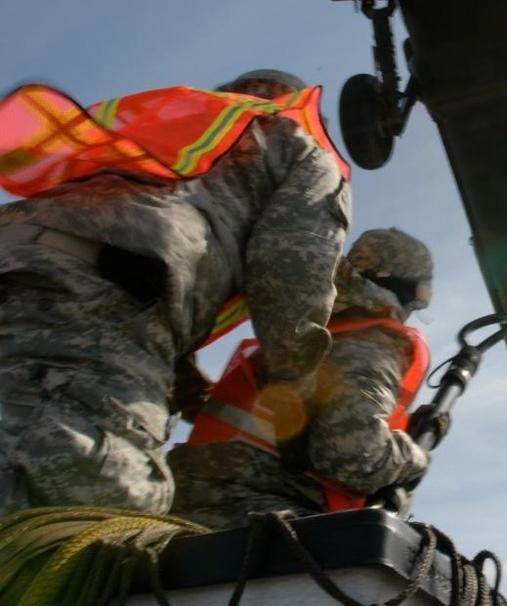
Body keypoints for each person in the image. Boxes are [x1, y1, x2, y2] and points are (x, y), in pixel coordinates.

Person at [0, 69, 352, 517]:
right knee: (107, 492)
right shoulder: (298, 143)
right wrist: (291, 385)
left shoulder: (181, 127)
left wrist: (184, 384)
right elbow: (289, 272)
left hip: (24, 258)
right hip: (98, 286)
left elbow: (140, 213)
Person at [167, 228, 445, 530]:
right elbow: (351, 457)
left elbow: (260, 427)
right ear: (403, 291)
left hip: (186, 500)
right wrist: (416, 456)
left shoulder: (303, 327)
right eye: (415, 305)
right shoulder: (372, 343)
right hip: (250, 516)